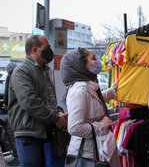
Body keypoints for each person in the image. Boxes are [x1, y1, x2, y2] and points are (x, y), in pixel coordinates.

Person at [8, 35, 67, 167]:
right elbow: (30, 103)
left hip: (46, 132)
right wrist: (55, 118)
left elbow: (49, 100)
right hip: (29, 135)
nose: (50, 51)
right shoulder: (22, 71)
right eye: (47, 47)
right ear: (35, 50)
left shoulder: (45, 71)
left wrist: (58, 112)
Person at [60, 48, 120, 167]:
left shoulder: (88, 87)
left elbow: (93, 100)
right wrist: (101, 125)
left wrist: (112, 91)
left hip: (99, 150)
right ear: (81, 65)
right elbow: (75, 128)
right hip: (87, 155)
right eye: (93, 58)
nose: (98, 61)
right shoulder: (79, 90)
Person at [3, 62, 19, 166]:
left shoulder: (10, 77)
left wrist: (5, 103)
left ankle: (17, 155)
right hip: (22, 110)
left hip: (14, 110)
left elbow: (7, 94)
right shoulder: (21, 75)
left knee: (11, 130)